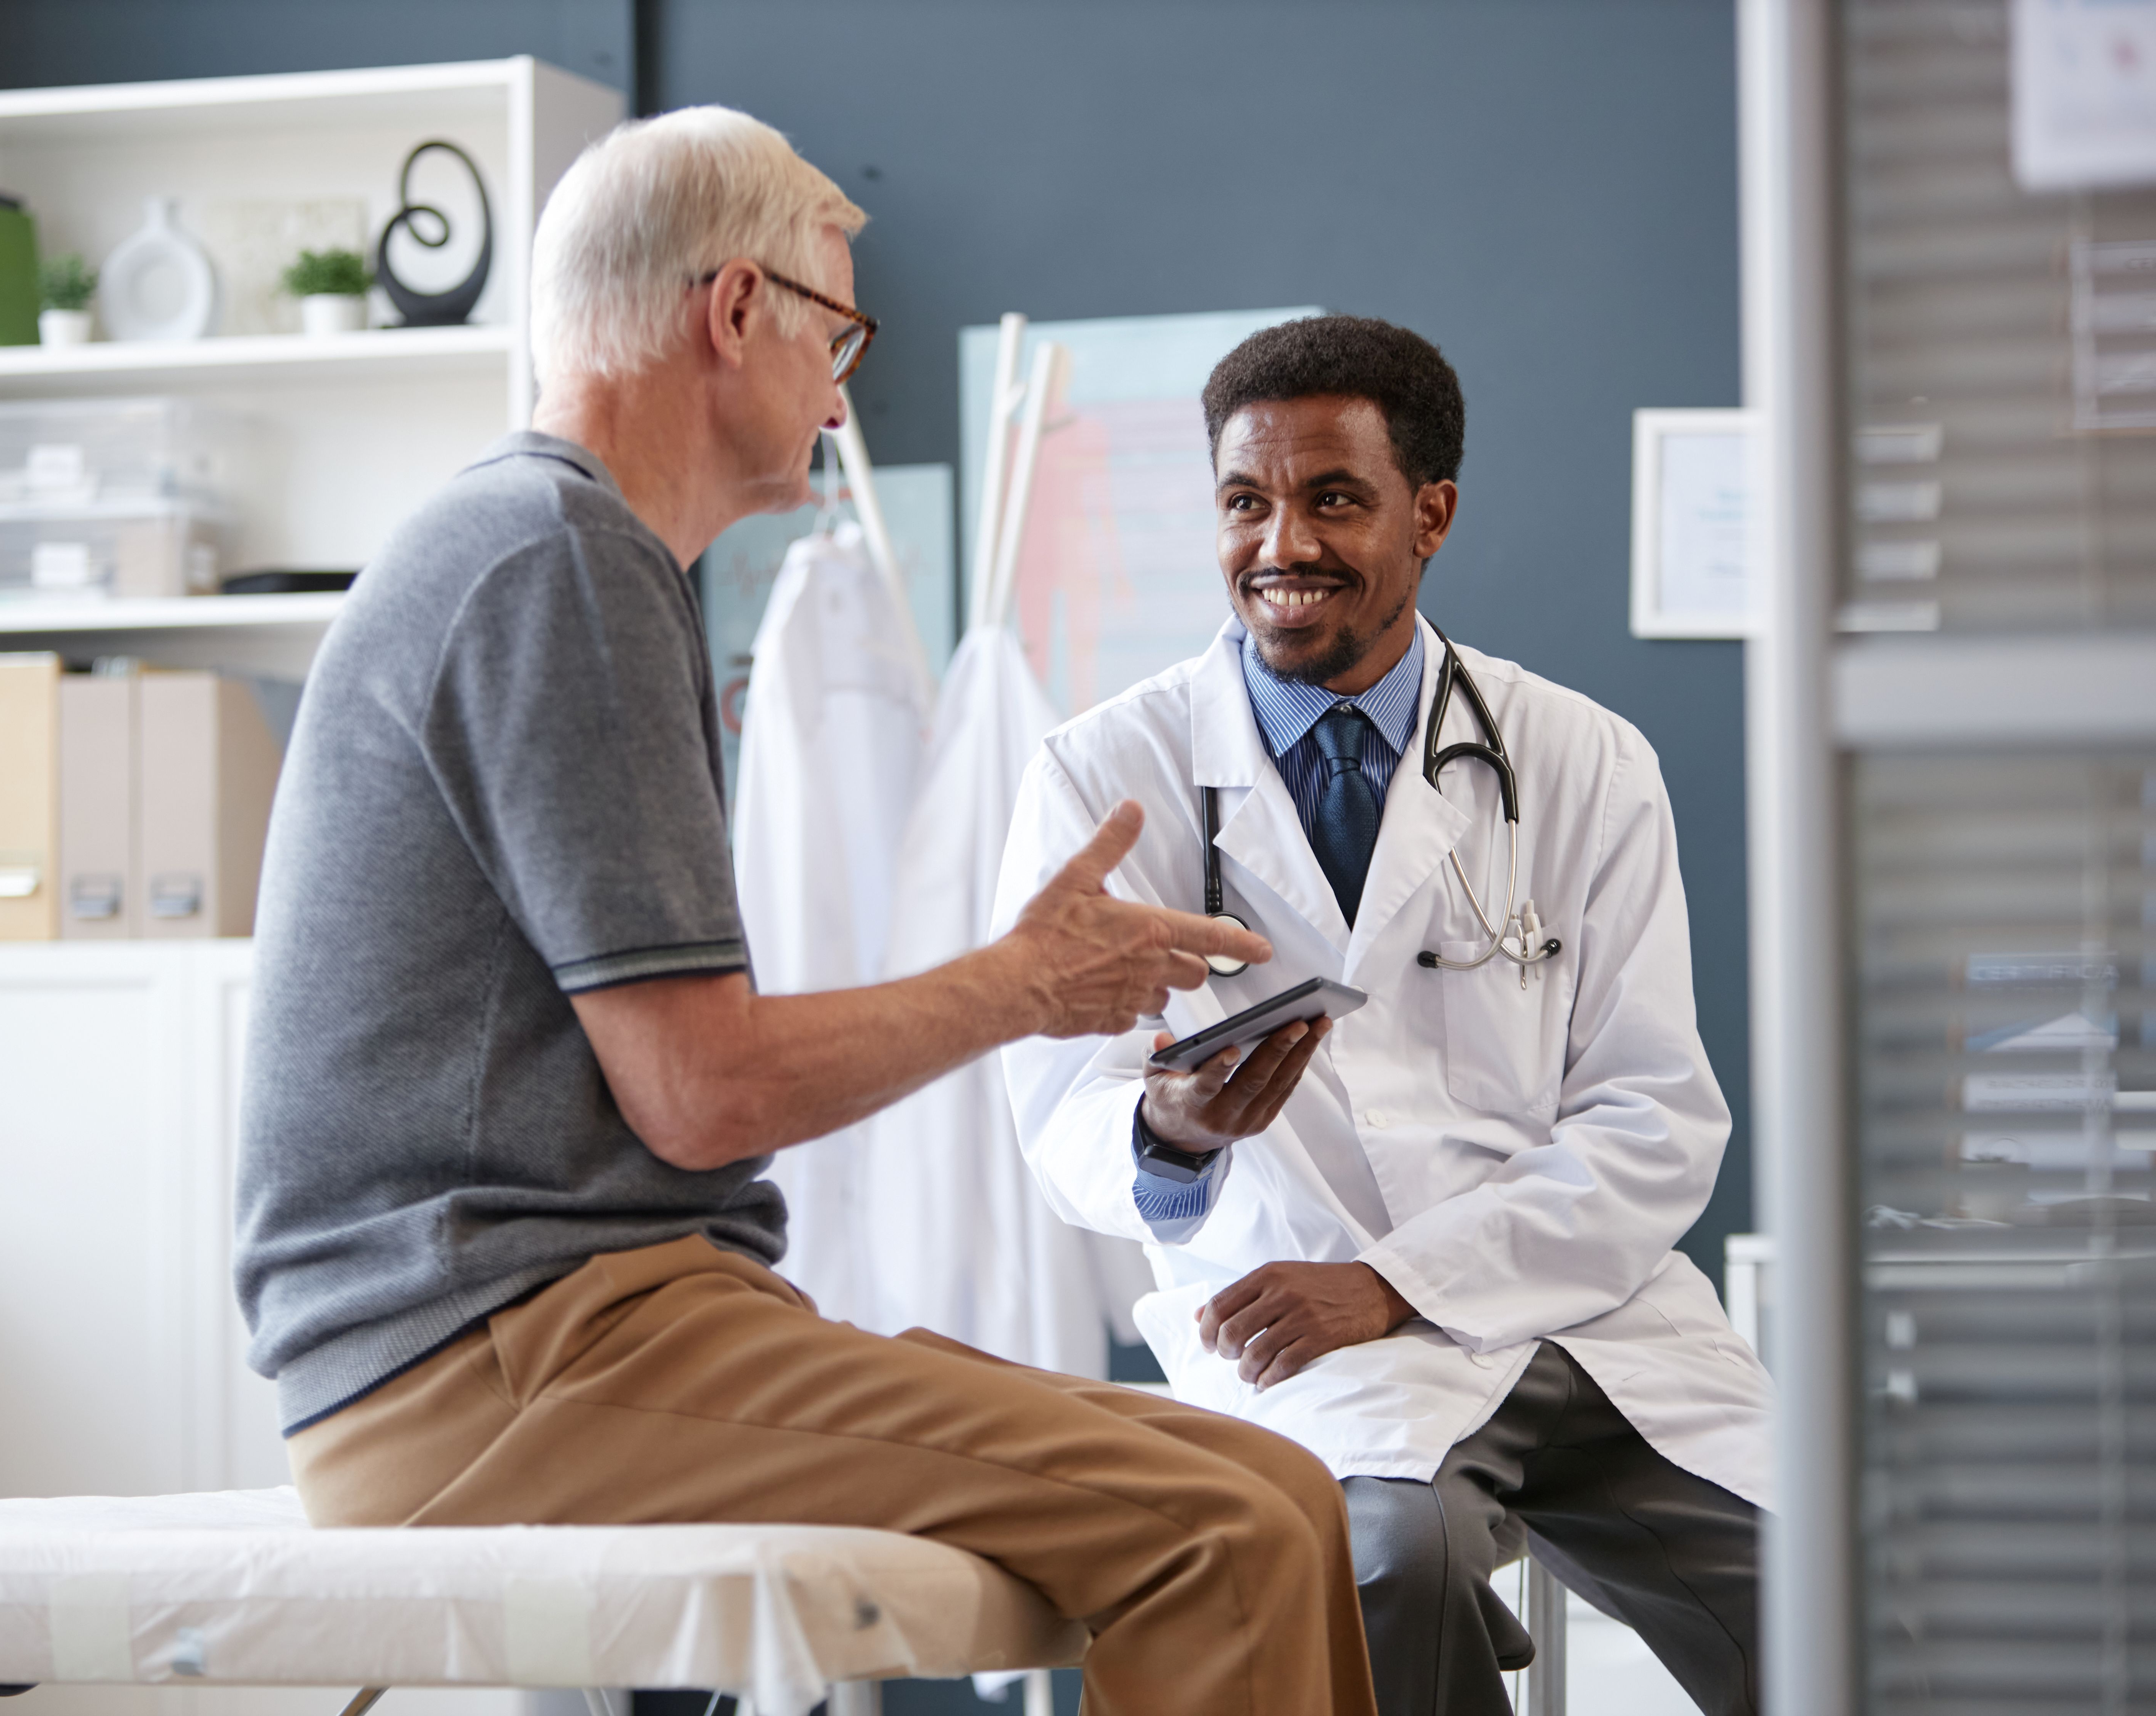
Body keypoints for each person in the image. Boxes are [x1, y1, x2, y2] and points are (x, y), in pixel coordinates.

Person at [231, 109, 1378, 1716]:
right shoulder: (560, 558)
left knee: (1281, 1487)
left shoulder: (552, 552)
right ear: (734, 309)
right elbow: (704, 1094)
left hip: (587, 1330)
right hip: (489, 1369)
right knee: (1220, 1532)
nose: (840, 396)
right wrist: (1027, 984)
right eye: (835, 337)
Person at [996, 315, 1771, 1716]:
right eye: (1245, 502)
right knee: (1389, 1572)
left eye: (1334, 499)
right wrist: (1169, 1133)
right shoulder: (1105, 776)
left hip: (1591, 1320)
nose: (1280, 545)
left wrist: (1405, 1281)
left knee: (1838, 1586)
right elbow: (1060, 1118)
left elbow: (1655, 1119)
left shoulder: (1586, 762)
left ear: (1432, 516)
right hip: (1310, 1339)